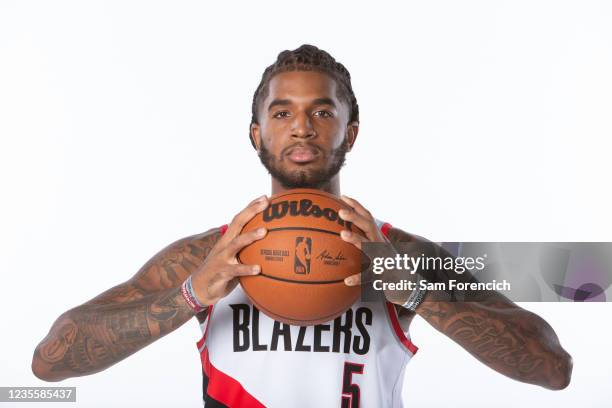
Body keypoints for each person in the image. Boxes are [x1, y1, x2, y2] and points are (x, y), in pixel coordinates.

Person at [32, 44, 572, 407]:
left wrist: (418, 294)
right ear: (255, 133)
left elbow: (553, 368)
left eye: (322, 112)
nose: (302, 128)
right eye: (282, 112)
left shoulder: (398, 253)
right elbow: (50, 362)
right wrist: (191, 295)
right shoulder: (206, 255)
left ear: (350, 133)